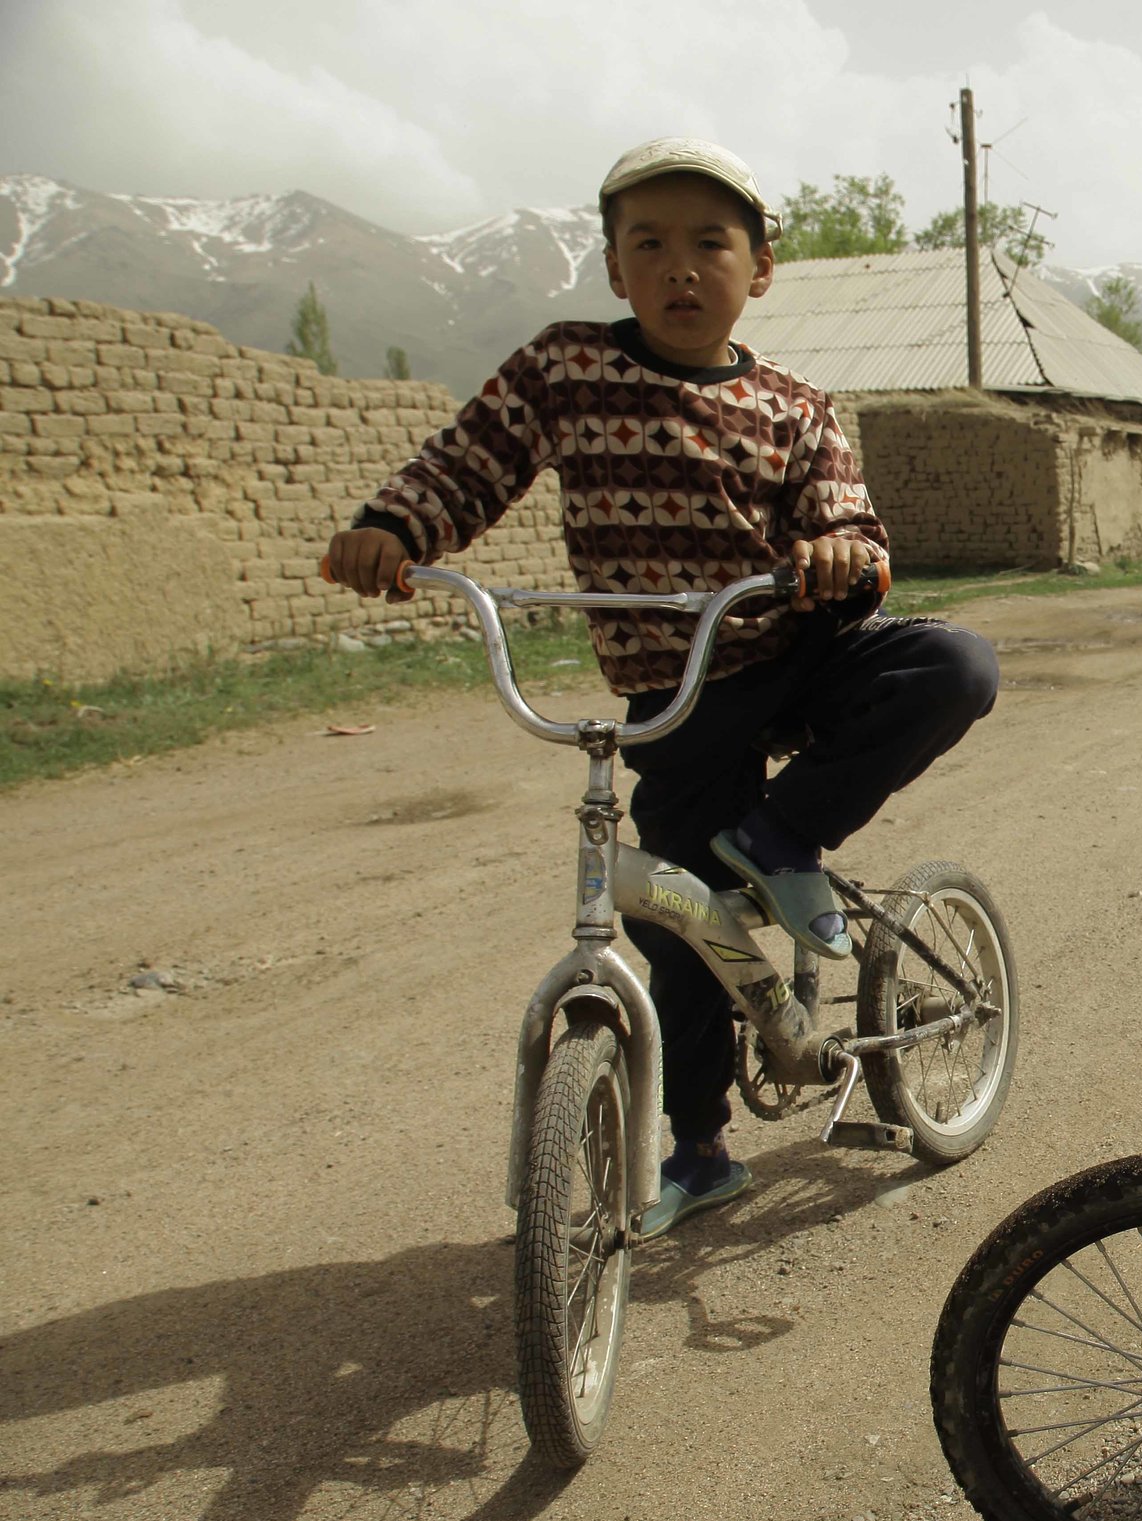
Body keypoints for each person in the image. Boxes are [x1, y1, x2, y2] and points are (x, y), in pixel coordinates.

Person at [326, 137, 999, 1236]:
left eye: (708, 244)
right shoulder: (565, 370)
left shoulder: (796, 404)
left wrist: (838, 553)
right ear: (613, 270)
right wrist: (393, 529)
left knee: (954, 665)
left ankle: (783, 840)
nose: (681, 269)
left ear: (760, 269)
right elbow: (467, 463)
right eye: (650, 245)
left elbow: (850, 523)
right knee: (678, 926)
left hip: (793, 653)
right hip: (675, 695)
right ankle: (698, 1145)